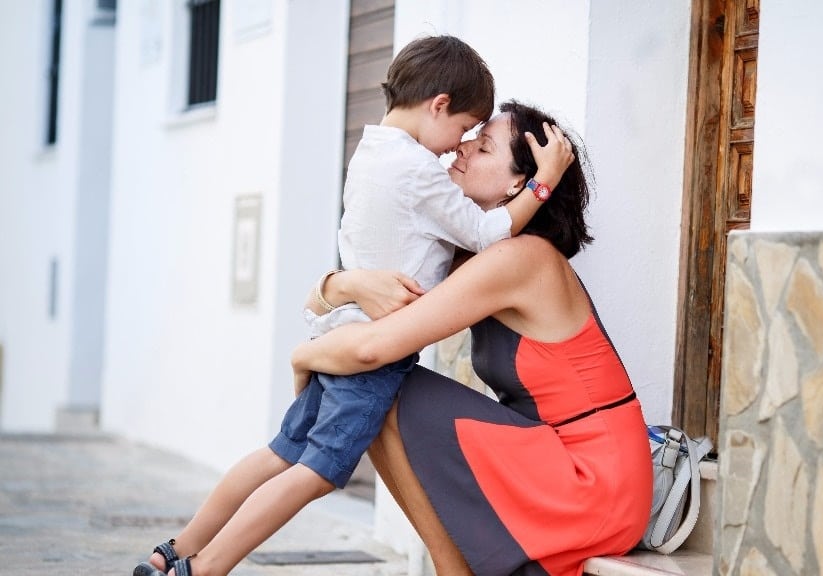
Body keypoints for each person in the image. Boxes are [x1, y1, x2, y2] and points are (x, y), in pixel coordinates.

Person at [133, 35, 574, 576]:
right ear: (438, 104)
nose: (455, 148)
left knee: (278, 454)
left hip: (340, 332)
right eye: (462, 131)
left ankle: (175, 548)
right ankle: (204, 569)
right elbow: (487, 231)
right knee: (316, 473)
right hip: (373, 353)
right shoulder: (418, 170)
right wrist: (545, 181)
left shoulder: (371, 152)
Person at [292, 101, 654, 576]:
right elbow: (367, 317)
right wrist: (342, 285)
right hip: (560, 461)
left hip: (596, 482)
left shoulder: (522, 259)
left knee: (385, 383)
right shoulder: (476, 253)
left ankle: (451, 571)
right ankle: (451, 569)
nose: (461, 147)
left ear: (517, 185)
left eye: (483, 146)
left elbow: (371, 346)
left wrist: (304, 356)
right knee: (380, 388)